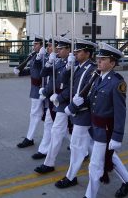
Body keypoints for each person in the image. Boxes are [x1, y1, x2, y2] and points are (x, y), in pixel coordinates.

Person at [76, 42, 128, 198]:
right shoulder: (98, 77)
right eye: (99, 58)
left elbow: (120, 112)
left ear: (113, 63)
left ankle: (90, 195)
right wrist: (80, 102)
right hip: (95, 128)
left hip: (106, 131)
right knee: (110, 157)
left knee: (95, 165)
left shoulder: (117, 83)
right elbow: (94, 102)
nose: (99, 61)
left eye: (103, 59)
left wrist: (117, 136)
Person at [55, 39, 97, 189]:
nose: (76, 53)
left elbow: (90, 95)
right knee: (95, 147)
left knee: (76, 146)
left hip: (83, 113)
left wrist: (73, 107)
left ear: (87, 53)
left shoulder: (92, 69)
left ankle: (70, 177)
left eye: (79, 51)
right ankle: (126, 178)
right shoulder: (78, 66)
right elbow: (62, 81)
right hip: (77, 112)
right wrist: (67, 66)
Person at [34, 37, 71, 174]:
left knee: (58, 130)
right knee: (53, 125)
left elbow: (68, 84)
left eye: (61, 48)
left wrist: (58, 97)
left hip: (64, 101)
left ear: (69, 50)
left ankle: (49, 163)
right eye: (58, 48)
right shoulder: (59, 61)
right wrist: (49, 62)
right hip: (55, 99)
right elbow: (44, 74)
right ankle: (45, 153)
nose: (57, 50)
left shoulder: (71, 63)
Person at [14, 35, 46, 148]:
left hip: (41, 89)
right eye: (34, 44)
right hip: (35, 89)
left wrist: (39, 57)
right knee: (43, 116)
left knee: (37, 114)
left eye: (36, 44)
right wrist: (21, 71)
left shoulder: (43, 57)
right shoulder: (35, 55)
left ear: (42, 45)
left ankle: (29, 138)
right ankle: (29, 137)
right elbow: (33, 69)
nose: (34, 46)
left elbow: (41, 70)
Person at [32, 36, 59, 160]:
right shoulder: (49, 58)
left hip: (60, 100)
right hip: (51, 98)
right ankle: (44, 150)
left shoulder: (65, 62)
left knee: (70, 130)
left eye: (50, 46)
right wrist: (41, 58)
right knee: (49, 123)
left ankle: (86, 150)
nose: (47, 48)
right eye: (47, 46)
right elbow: (40, 71)